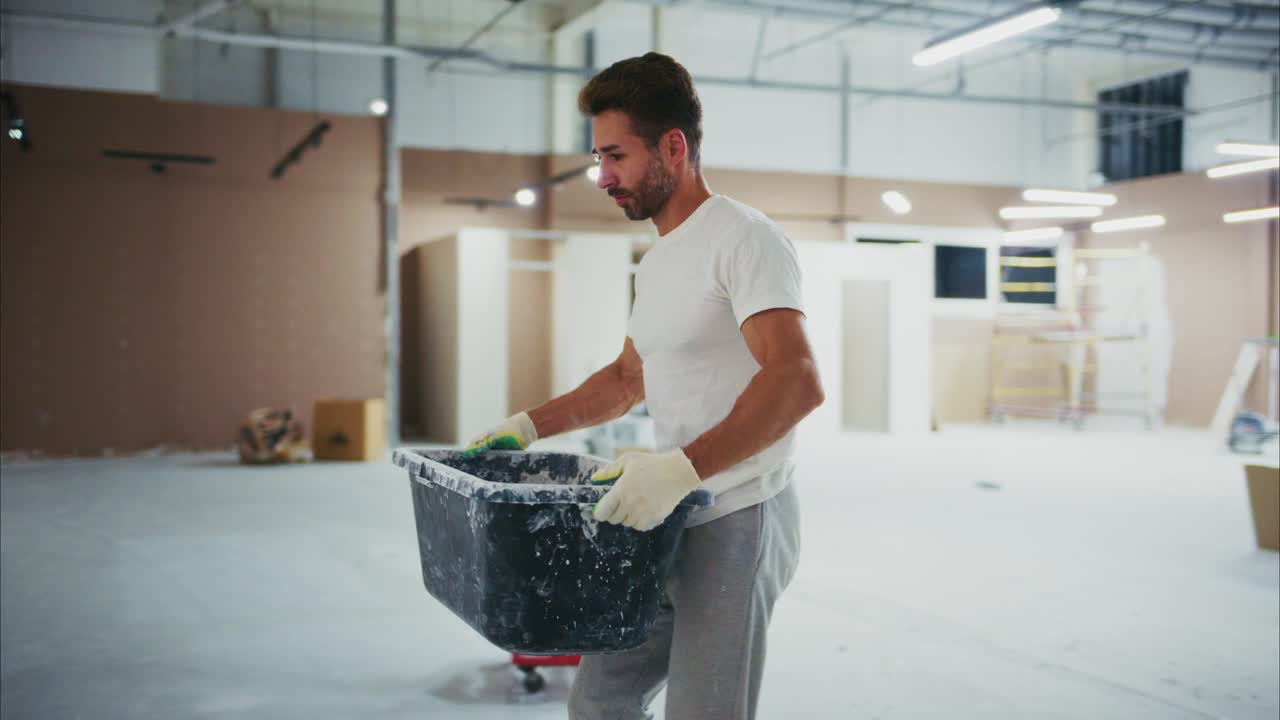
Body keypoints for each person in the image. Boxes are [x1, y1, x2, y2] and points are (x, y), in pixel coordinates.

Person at [465, 52, 824, 720]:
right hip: (662, 512)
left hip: (737, 512)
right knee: (600, 697)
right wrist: (527, 425)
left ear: (673, 146)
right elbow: (629, 377)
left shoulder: (744, 238)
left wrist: (681, 470)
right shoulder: (658, 262)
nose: (602, 177)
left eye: (615, 156)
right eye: (599, 158)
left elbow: (797, 380)